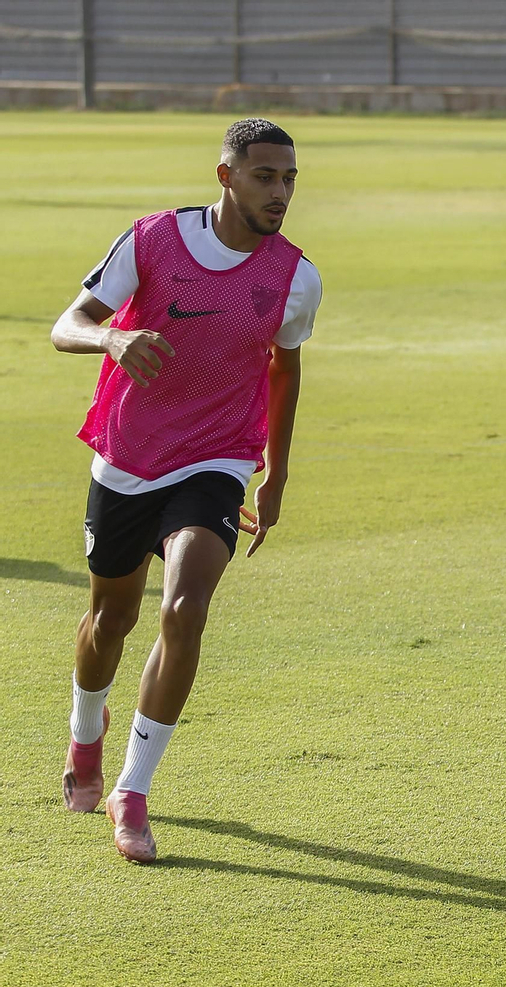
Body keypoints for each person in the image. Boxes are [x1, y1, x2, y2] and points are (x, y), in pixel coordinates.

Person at [49, 118, 322, 863]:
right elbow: (66, 324)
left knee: (184, 606)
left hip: (218, 460)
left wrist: (276, 470)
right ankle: (85, 736)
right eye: (265, 176)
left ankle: (132, 790)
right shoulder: (153, 240)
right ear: (225, 176)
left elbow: (285, 368)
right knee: (110, 618)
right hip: (128, 456)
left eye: (290, 178)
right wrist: (111, 338)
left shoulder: (296, 276)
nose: (281, 192)